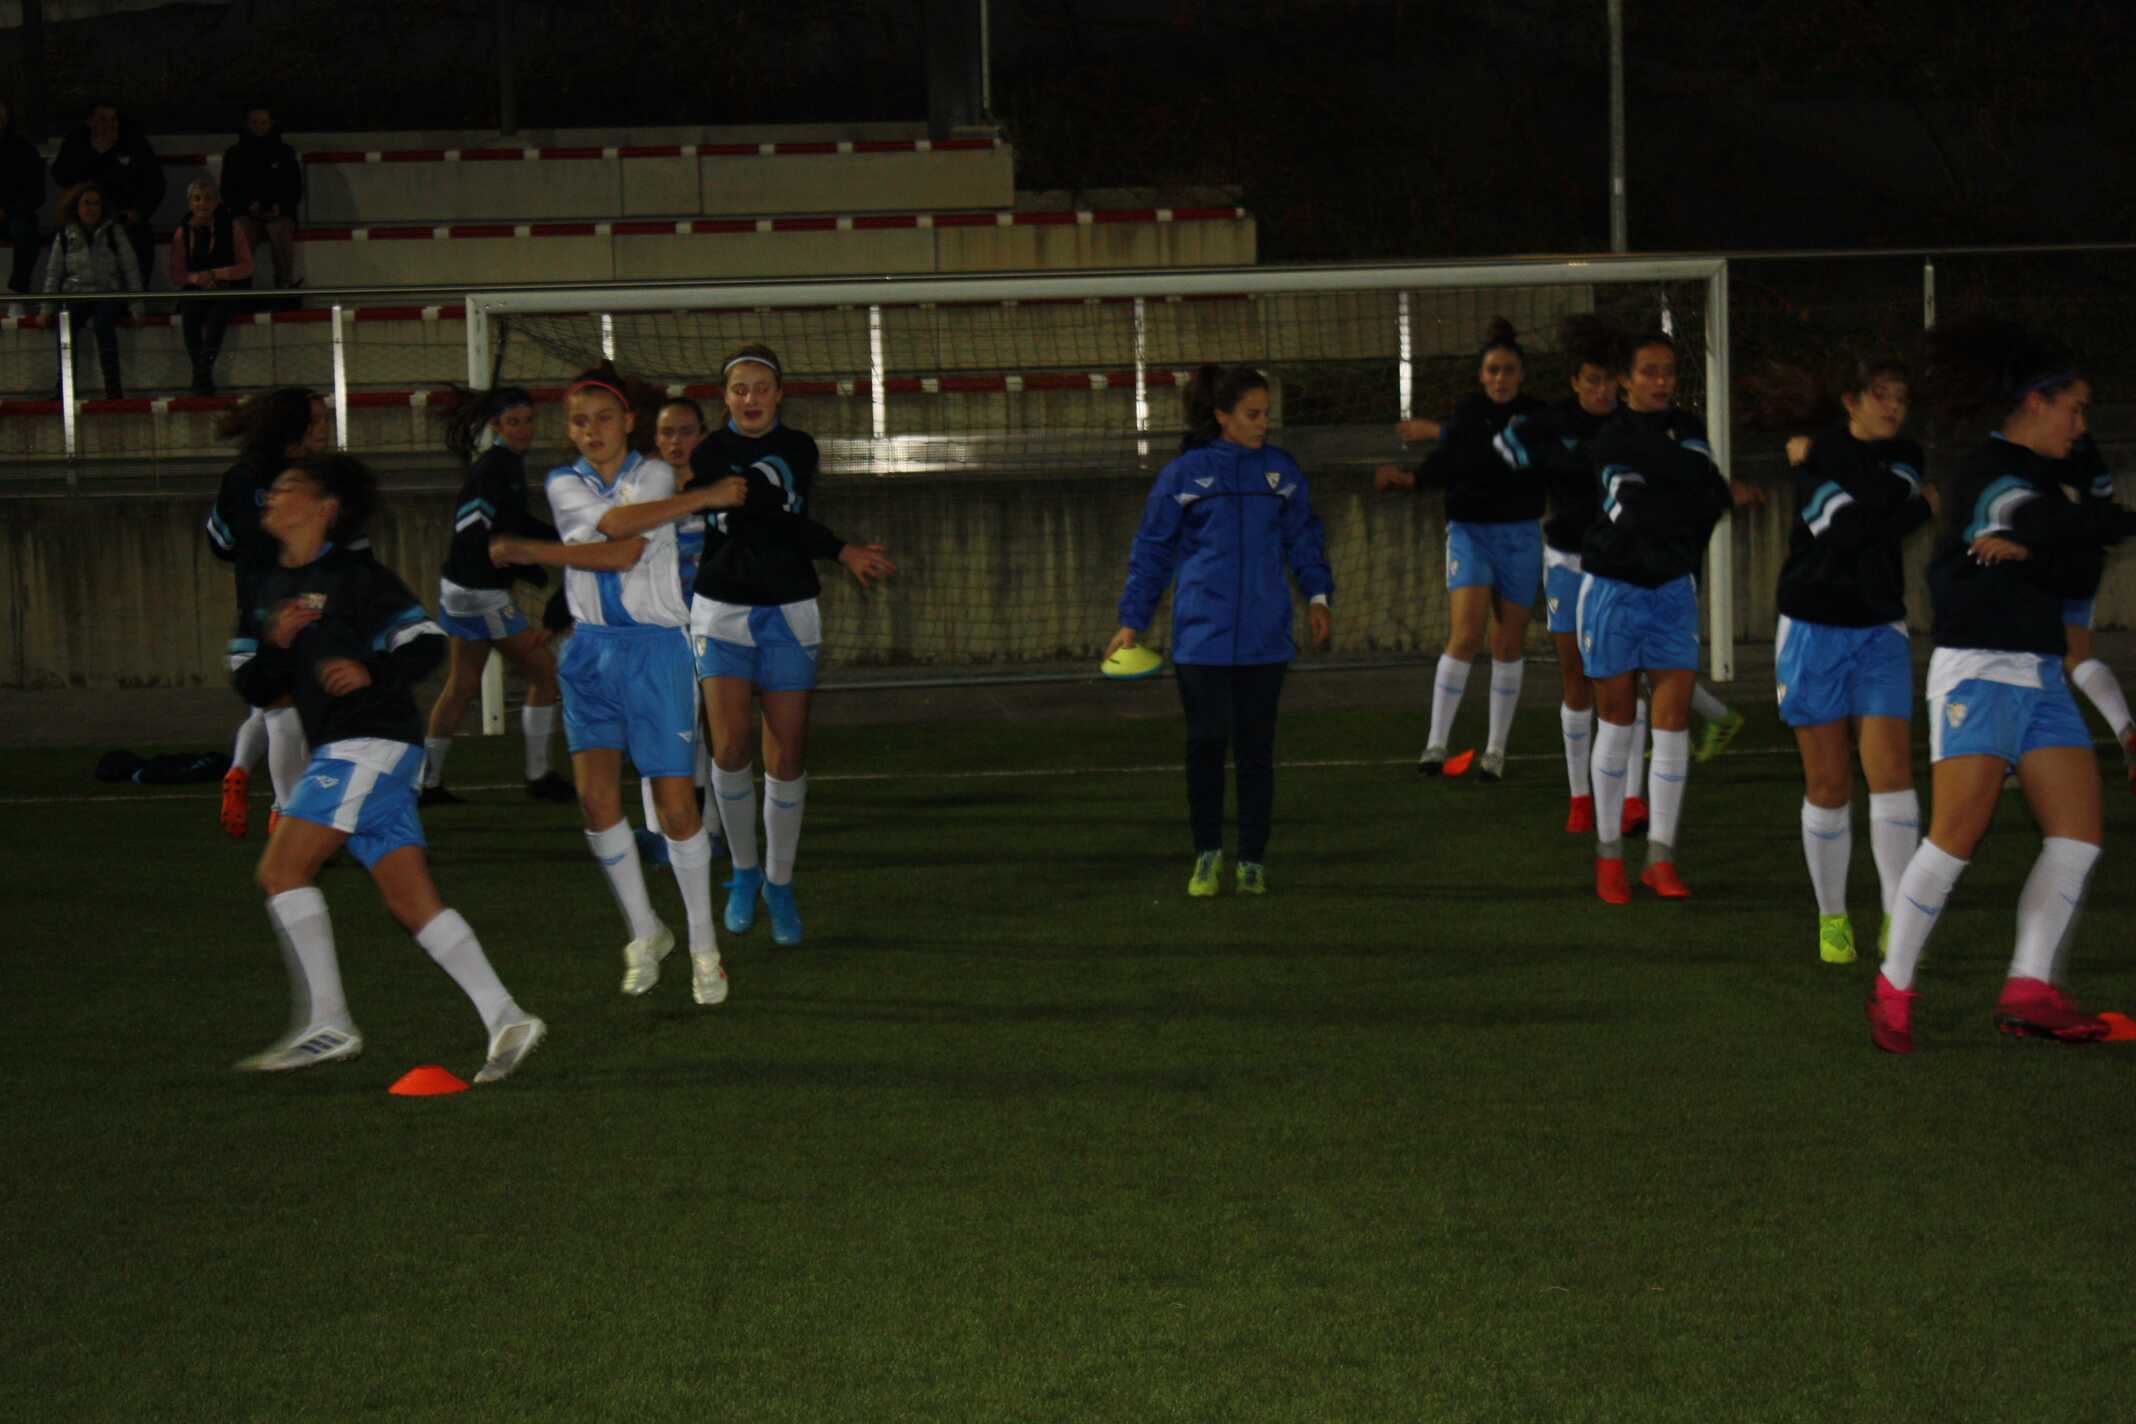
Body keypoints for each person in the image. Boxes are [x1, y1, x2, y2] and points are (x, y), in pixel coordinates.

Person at [231, 454, 545, 1083]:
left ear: (325, 508)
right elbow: (253, 685)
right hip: (354, 750)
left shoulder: (358, 577)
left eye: (289, 487)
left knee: (282, 869)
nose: (273, 496)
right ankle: (507, 1016)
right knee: (411, 902)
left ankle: (328, 1022)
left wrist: (369, 670)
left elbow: (424, 642)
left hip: (369, 742)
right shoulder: (266, 590)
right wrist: (276, 643)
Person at [1868, 319, 2136, 1054]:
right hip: (1980, 671)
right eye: (2074, 409)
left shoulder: (2053, 475)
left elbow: (2077, 563)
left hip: (2041, 673)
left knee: (2078, 836)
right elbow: (2066, 532)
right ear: (2036, 403)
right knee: (1956, 835)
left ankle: (2030, 988)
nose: (2081, 425)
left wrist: (2048, 544)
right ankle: (1893, 985)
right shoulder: (1989, 472)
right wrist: (2066, 533)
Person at [488, 367, 747, 1003]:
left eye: (604, 418)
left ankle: (705, 949)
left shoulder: (652, 473)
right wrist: (702, 498)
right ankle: (645, 931)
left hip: (655, 651)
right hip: (589, 651)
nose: (591, 431)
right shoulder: (562, 482)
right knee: (596, 801)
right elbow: (614, 534)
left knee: (676, 808)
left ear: (629, 422)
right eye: (579, 421)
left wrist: (532, 551)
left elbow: (621, 545)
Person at [690, 345, 896, 944]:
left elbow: (766, 514)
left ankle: (779, 884)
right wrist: (839, 548)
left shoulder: (799, 448)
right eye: (739, 389)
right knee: (730, 748)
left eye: (761, 388)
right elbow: (761, 515)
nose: (750, 398)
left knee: (786, 756)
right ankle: (744, 873)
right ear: (725, 397)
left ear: (779, 394)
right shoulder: (708, 452)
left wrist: (836, 549)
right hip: (721, 611)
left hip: (789, 610)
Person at [1109, 363, 1334, 896]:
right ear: (1222, 417)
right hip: (1200, 638)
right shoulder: (1184, 476)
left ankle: (1252, 860)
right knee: (1206, 744)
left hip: (1265, 639)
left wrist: (1318, 597)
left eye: (1266, 414)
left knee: (1256, 750)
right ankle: (1207, 854)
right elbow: (1152, 550)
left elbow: (1304, 538)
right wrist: (1130, 622)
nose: (1263, 424)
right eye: (1252, 414)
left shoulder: (1281, 472)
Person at [1578, 326, 1760, 904]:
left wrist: (1687, 487)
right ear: (1625, 380)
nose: (1661, 381)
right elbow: (1639, 512)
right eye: (1649, 371)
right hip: (1613, 590)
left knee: (1673, 721)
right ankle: (1610, 856)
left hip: (1673, 591)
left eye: (1669, 371)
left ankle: (1660, 857)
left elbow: (1709, 495)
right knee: (1616, 723)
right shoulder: (1609, 438)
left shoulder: (1688, 426)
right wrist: (1692, 488)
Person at [1763, 353, 1935, 966]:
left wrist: (1839, 472)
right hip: (1811, 629)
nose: (1894, 407)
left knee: (1892, 773)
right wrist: (1917, 506)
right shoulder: (1818, 459)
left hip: (1881, 627)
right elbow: (1850, 531)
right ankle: (1832, 916)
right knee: (1829, 783)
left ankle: (1897, 916)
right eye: (1881, 395)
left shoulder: (1893, 454)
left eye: (1901, 397)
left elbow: (1880, 508)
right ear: (1851, 400)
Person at [1375, 318, 1543, 782]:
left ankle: (1495, 751)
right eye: (1493, 370)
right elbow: (1455, 460)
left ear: (1522, 374)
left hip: (1520, 535)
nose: (1500, 378)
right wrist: (1412, 479)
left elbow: (1497, 451)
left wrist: (1436, 430)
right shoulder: (1468, 412)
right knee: (1465, 635)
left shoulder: (1534, 416)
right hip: (1470, 532)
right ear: (1481, 375)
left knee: (1507, 642)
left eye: (1508, 370)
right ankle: (1435, 744)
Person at [1486, 313, 1621, 830]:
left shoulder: (1630, 426)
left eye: (1609, 381)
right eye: (1593, 380)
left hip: (1621, 566)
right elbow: (1505, 450)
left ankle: (1627, 796)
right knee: (1574, 672)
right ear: (1575, 382)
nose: (1602, 390)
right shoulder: (1554, 421)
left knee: (1620, 679)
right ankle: (1579, 796)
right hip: (1566, 560)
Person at [419, 386, 573, 807]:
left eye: (528, 420)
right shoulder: (496, 467)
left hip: (461, 589)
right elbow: (474, 532)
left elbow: (511, 521)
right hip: (480, 594)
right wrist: (524, 563)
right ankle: (538, 775)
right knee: (544, 673)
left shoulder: (503, 464)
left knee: (462, 684)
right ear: (496, 425)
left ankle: (427, 783)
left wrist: (553, 541)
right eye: (513, 422)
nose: (524, 429)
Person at [207, 388, 332, 837]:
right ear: (291, 429)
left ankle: (256, 783)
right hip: (299, 611)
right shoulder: (312, 480)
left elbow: (220, 542)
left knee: (274, 711)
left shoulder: (239, 477)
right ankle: (290, 819)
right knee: (290, 716)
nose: (324, 428)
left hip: (252, 616)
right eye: (315, 420)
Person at [628, 396, 719, 866]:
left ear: (702, 435)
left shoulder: (718, 490)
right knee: (659, 723)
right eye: (667, 432)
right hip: (657, 625)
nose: (676, 441)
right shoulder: (642, 493)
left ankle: (712, 828)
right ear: (655, 438)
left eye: (686, 431)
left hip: (711, 621)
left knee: (710, 727)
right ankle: (656, 832)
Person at [2052, 434, 2136, 791]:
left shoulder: (2034, 443)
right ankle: (2125, 728)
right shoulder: (2087, 449)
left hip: (2042, 556)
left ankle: (2026, 757)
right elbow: (2104, 502)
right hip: (2085, 560)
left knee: (2025, 656)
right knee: (2075, 655)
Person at [39, 183, 142, 399]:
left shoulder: (114, 232)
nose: (91, 209)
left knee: (104, 324)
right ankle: (65, 388)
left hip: (107, 293)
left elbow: (130, 269)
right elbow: (53, 273)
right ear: (76, 206)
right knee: (66, 326)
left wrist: (136, 306)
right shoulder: (65, 234)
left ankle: (113, 388)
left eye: (96, 204)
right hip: (75, 294)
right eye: (86, 203)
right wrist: (46, 309)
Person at [50, 99, 163, 287]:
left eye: (113, 119)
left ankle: (137, 296)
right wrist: (95, 154)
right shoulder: (77, 141)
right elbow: (60, 175)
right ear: (90, 122)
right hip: (85, 215)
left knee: (141, 237)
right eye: (103, 120)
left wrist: (139, 210)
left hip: (123, 213)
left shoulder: (132, 141)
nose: (110, 125)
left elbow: (155, 182)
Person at [168, 178, 254, 396]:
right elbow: (177, 273)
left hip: (227, 286)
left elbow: (246, 266)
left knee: (218, 314)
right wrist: (198, 279)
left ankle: (201, 375)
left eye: (208, 199)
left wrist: (216, 274)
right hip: (196, 287)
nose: (202, 204)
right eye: (197, 199)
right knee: (190, 313)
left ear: (216, 202)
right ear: (190, 203)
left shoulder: (231, 226)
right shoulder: (183, 231)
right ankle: (202, 375)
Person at [220, 106, 301, 290]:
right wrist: (248, 206)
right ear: (246, 124)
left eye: (264, 122)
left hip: (280, 212)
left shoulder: (285, 152)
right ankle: (241, 284)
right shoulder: (234, 154)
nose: (259, 127)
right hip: (245, 212)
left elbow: (294, 188)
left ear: (272, 124)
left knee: (279, 228)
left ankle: (284, 284)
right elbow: (228, 190)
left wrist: (279, 207)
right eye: (254, 122)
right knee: (241, 229)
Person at [0, 97, 47, 312]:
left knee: (26, 231)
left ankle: (18, 293)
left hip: (15, 216)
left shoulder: (23, 150)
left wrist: (8, 211)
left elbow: (36, 194)